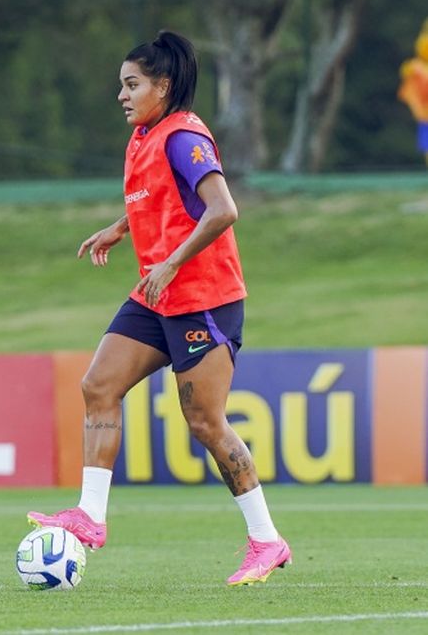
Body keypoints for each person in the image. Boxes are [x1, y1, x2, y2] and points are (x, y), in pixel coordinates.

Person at [26, 30, 291, 586]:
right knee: (99, 385)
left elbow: (222, 209)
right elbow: (167, 199)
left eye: (132, 84)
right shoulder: (144, 137)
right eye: (120, 85)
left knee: (205, 422)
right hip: (157, 295)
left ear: (162, 86)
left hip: (203, 298)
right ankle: (90, 517)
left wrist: (170, 261)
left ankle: (267, 541)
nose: (121, 95)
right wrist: (121, 227)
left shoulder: (185, 136)